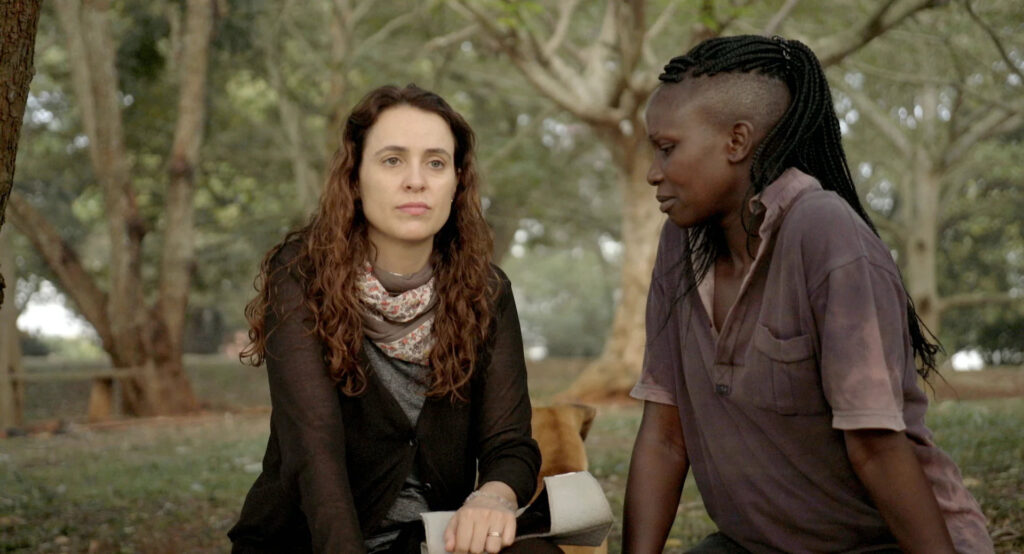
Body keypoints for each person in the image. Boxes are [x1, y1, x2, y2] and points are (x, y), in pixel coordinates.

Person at [623, 35, 993, 554]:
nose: (652, 172)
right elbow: (665, 436)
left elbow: (874, 447)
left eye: (667, 148)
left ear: (737, 142)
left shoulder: (825, 232)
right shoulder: (680, 243)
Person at [228, 84, 560, 554]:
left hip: (428, 541)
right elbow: (313, 449)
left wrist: (492, 497)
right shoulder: (301, 274)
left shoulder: (486, 291)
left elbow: (511, 445)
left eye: (436, 162)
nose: (416, 181)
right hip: (312, 541)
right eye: (392, 160)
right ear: (355, 178)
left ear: (457, 183)